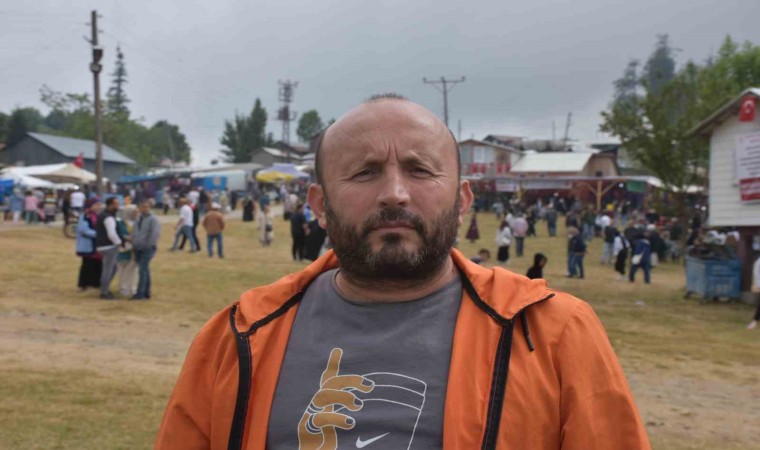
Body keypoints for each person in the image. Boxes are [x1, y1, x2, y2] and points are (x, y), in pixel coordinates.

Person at [155, 95, 650, 450]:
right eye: (365, 172)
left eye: (420, 170)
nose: (394, 193)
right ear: (319, 205)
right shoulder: (236, 337)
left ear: (462, 201)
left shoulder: (553, 333)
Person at [130, 199, 162, 300]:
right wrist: (134, 242)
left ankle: (140, 293)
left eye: (146, 207)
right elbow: (134, 232)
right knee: (145, 270)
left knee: (142, 270)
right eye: (142, 207)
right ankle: (146, 292)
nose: (144, 209)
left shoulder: (153, 219)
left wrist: (148, 245)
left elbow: (155, 234)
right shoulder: (138, 219)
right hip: (137, 247)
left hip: (147, 248)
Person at [95, 197, 125, 299]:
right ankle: (104, 292)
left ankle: (105, 288)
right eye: (116, 204)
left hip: (102, 245)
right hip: (109, 246)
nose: (118, 206)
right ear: (110, 205)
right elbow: (111, 234)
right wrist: (119, 243)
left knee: (113, 268)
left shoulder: (103, 215)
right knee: (108, 269)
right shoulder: (108, 217)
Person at [75, 198, 102, 291]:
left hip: (97, 245)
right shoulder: (85, 216)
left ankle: (96, 283)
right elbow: (83, 230)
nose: (99, 207)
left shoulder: (98, 216)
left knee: (97, 265)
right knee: (88, 265)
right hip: (88, 245)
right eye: (96, 205)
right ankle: (85, 284)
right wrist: (98, 234)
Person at [116, 205, 139, 297]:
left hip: (134, 248)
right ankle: (123, 287)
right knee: (122, 268)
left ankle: (132, 287)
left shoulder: (138, 222)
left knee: (133, 269)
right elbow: (121, 233)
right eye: (134, 212)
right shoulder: (120, 222)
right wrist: (128, 238)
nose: (136, 214)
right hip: (123, 247)